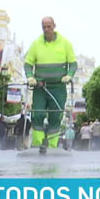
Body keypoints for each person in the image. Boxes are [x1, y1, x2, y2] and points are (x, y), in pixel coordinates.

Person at [24, 17, 76, 154]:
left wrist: (69, 75)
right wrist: (30, 76)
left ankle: (52, 146)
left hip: (58, 87)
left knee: (56, 116)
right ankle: (37, 144)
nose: (46, 29)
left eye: (49, 27)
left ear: (54, 26)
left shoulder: (65, 43)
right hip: (40, 87)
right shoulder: (36, 44)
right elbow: (28, 64)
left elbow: (73, 64)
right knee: (37, 114)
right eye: (44, 27)